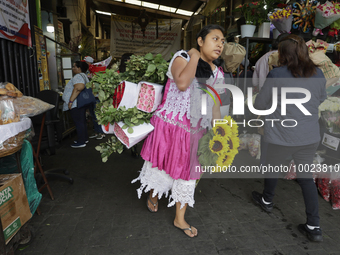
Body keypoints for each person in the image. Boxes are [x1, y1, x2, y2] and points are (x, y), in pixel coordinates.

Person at [132, 24, 224, 237]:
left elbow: (216, 105)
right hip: (169, 127)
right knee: (162, 167)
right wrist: (194, 56)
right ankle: (154, 196)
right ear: (200, 41)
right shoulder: (181, 57)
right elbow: (182, 83)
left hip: (194, 132)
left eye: (222, 41)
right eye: (215, 39)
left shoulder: (217, 74)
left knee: (187, 174)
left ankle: (179, 218)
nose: (220, 44)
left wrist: (219, 133)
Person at [251, 34, 327, 242]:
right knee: (306, 179)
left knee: (272, 167)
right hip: (308, 136)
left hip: (280, 134)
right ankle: (314, 226)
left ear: (283, 54)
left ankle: (267, 200)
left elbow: (260, 104)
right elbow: (321, 99)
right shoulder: (318, 74)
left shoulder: (277, 74)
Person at [62, 61, 90, 148]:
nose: (73, 68)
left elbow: (78, 87)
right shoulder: (84, 76)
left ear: (79, 68)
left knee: (79, 122)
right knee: (81, 121)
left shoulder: (78, 76)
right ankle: (84, 138)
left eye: (74, 67)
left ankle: (81, 142)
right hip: (80, 103)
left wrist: (70, 101)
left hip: (76, 103)